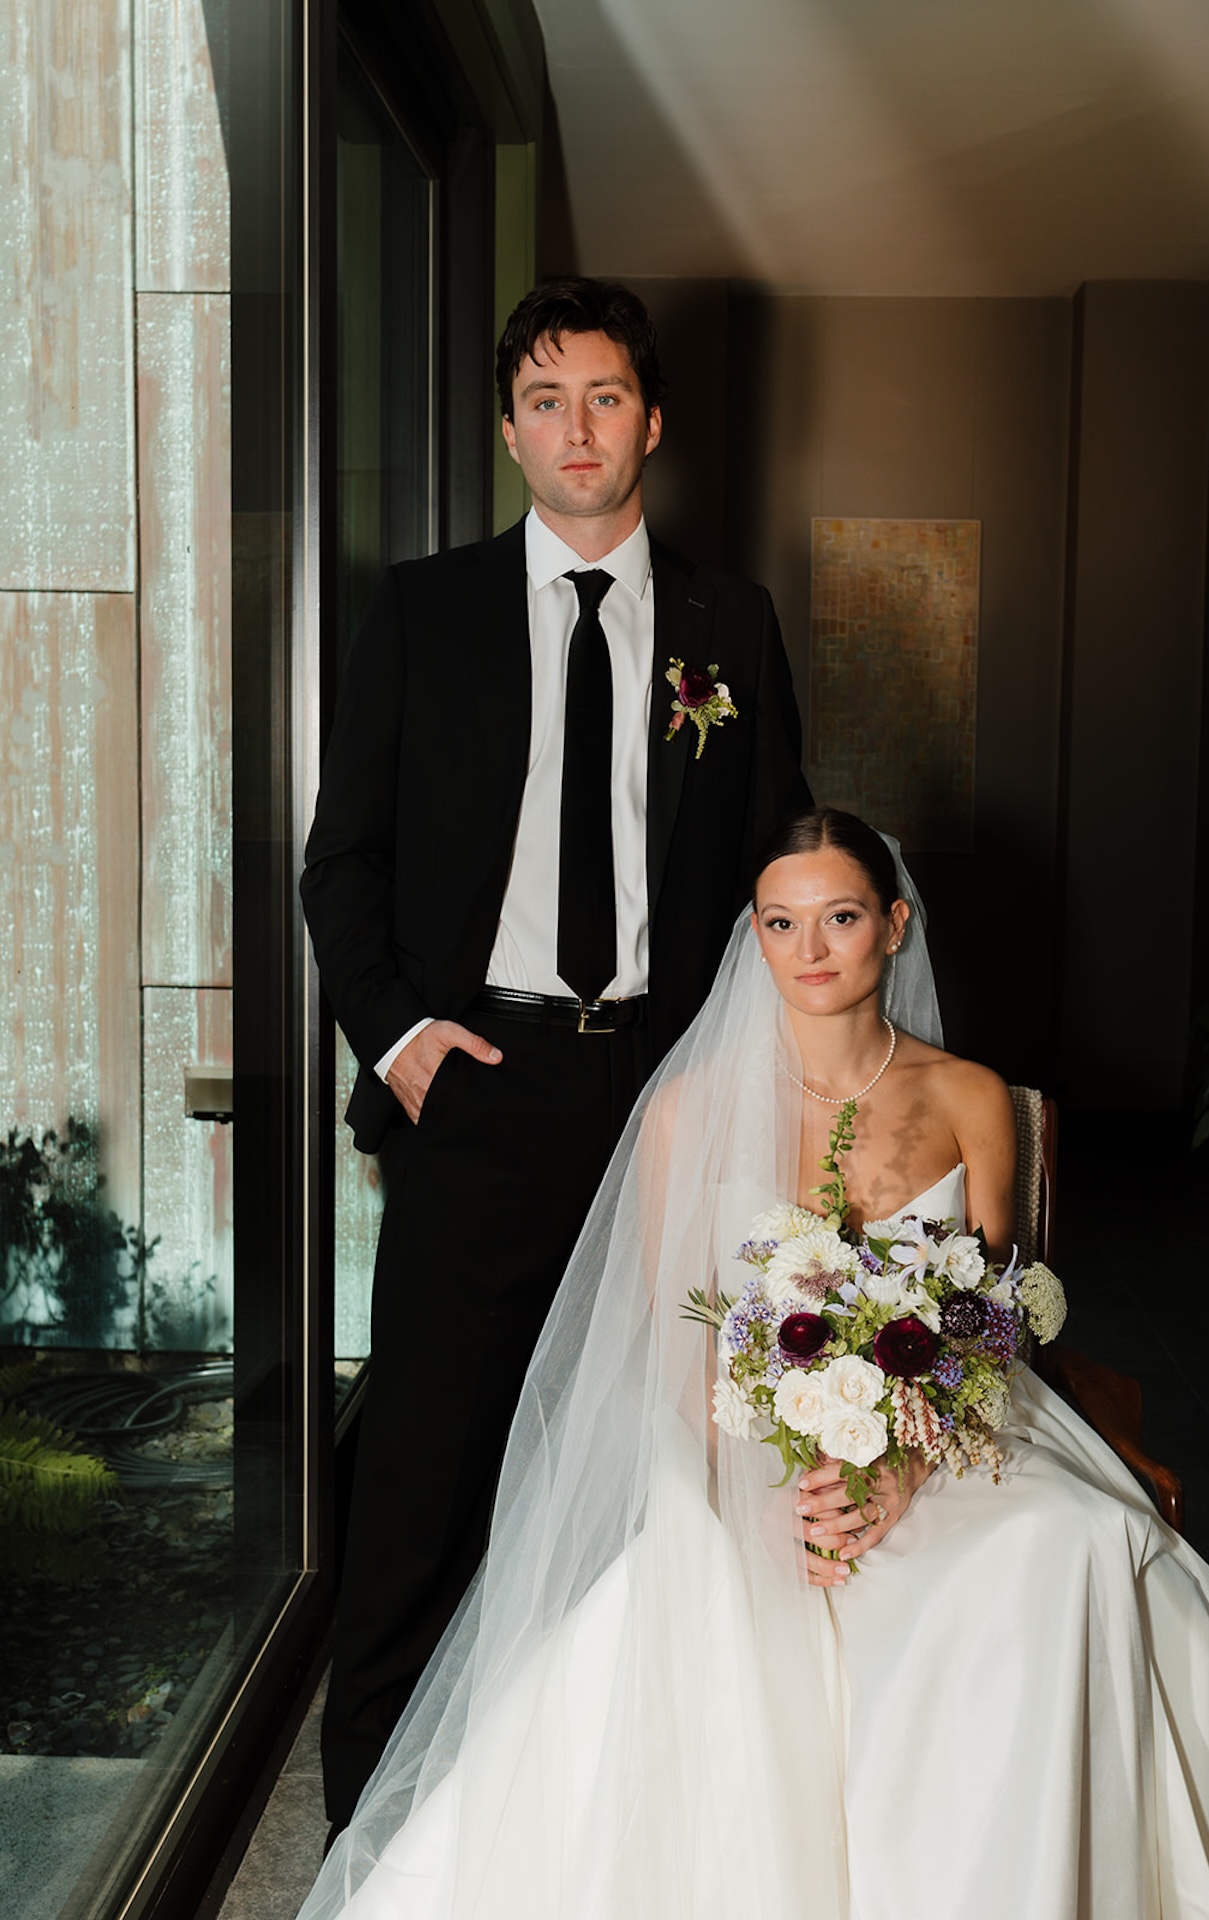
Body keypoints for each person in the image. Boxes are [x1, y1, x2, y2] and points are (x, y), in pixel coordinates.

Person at [299, 807, 1209, 1920]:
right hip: (735, 1445)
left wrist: (904, 1465)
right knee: (729, 1596)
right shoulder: (682, 1110)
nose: (809, 951)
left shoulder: (970, 1097)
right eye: (780, 923)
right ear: (752, 938)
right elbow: (681, 1350)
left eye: (841, 918)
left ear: (893, 927)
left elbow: (991, 1317)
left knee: (1073, 1544)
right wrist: (752, 1496)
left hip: (946, 1430)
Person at [299, 276, 811, 1830]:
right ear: (509, 432)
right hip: (482, 1085)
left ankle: (600, 1806)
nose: (574, 427)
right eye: (543, 399)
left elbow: (782, 866)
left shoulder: (729, 623)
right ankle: (374, 1821)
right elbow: (345, 861)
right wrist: (397, 1039)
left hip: (668, 1093)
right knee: (429, 1468)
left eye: (602, 396)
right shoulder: (427, 608)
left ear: (651, 422)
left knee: (654, 1452)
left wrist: (752, 1080)